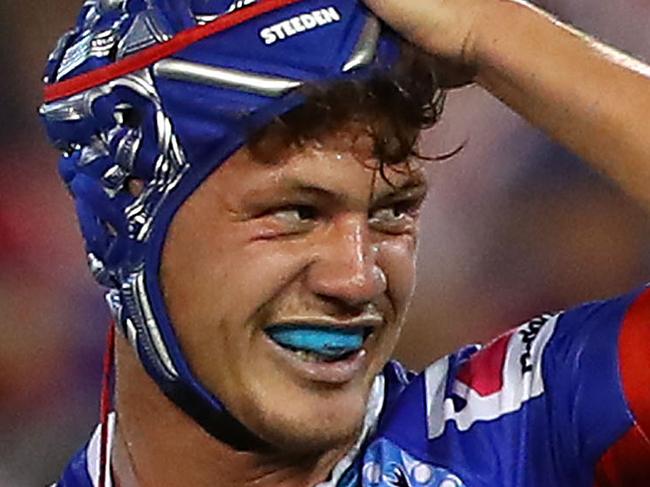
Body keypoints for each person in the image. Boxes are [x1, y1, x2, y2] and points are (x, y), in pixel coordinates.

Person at [40, 0, 650, 485]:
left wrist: (492, 30)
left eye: (392, 213)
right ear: (127, 221)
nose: (357, 278)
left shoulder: (524, 437)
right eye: (297, 212)